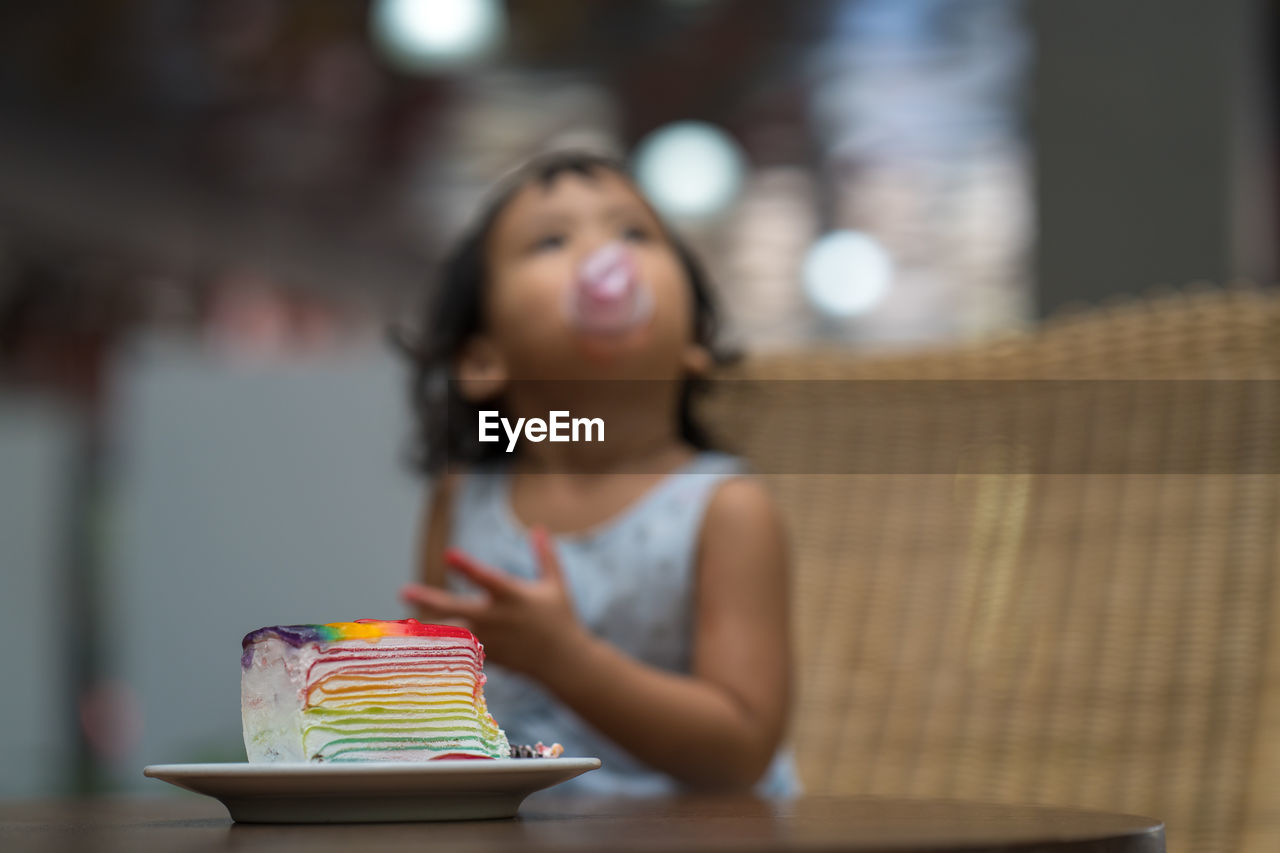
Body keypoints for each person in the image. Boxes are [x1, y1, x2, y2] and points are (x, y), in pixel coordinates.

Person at [396, 151, 797, 796]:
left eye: (633, 232)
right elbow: (436, 710)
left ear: (695, 337)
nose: (604, 255)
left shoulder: (727, 508)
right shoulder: (463, 497)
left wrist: (567, 661)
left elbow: (742, 752)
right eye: (552, 240)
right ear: (481, 358)